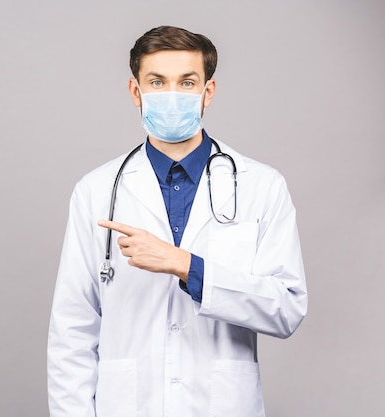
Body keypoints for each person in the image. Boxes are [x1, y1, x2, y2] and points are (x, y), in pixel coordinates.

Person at [47, 26, 307, 417]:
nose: (172, 95)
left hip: (221, 404)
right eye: (157, 82)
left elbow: (286, 309)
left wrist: (186, 266)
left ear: (209, 91)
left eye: (187, 82)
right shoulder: (96, 190)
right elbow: (72, 330)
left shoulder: (262, 186)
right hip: (129, 405)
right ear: (136, 92)